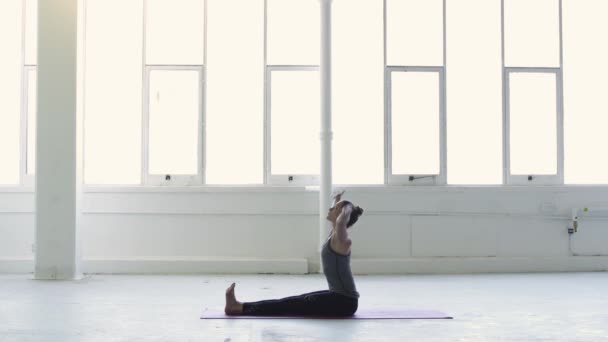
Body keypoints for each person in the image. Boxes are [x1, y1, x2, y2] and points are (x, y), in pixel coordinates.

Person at [224, 190, 364, 317]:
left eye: (335, 208)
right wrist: (337, 199)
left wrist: (348, 207)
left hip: (345, 302)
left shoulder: (343, 240)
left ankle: (237, 307)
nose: (330, 209)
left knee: (289, 304)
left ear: (342, 214)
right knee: (294, 300)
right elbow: (338, 221)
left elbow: (341, 221)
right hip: (338, 297)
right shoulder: (334, 234)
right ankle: (238, 306)